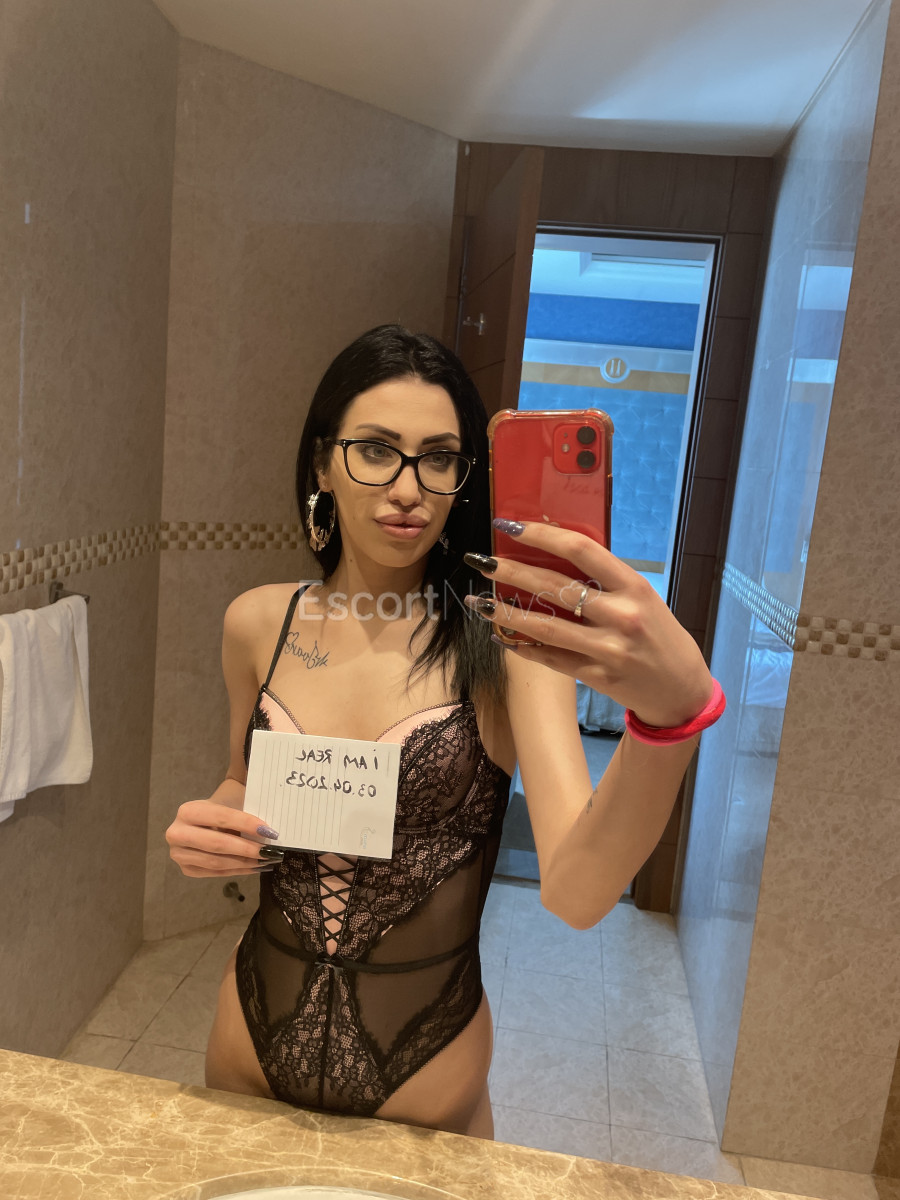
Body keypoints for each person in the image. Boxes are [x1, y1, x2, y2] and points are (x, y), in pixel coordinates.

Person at [165, 324, 723, 1139]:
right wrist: (213, 825)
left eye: (438, 458)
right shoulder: (257, 623)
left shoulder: (507, 646)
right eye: (376, 450)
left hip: (426, 1081)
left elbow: (575, 894)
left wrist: (670, 721)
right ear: (321, 463)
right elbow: (241, 781)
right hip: (247, 1039)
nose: (408, 488)